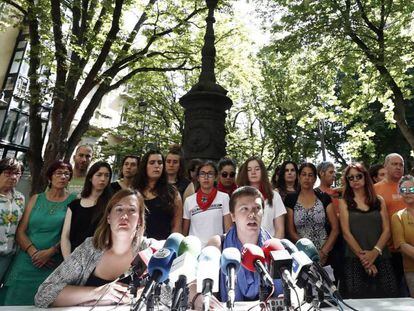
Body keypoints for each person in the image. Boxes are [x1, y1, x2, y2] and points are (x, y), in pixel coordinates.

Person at [35, 189, 149, 307]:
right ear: (108, 217)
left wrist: (134, 296)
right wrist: (98, 293)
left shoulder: (149, 251)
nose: (125, 216)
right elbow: (43, 295)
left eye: (132, 210)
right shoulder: (89, 248)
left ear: (140, 220)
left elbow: (167, 297)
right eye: (119, 209)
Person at [0, 160, 77, 305]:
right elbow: (20, 231)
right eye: (58, 173)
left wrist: (50, 252)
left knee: (41, 302)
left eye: (67, 174)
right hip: (25, 260)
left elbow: (73, 233)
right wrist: (34, 253)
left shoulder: (74, 201)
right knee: (13, 301)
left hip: (52, 263)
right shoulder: (35, 198)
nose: (63, 177)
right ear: (49, 177)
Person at [199, 186, 283, 305]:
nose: (252, 215)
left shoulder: (274, 247)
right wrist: (198, 298)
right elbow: (197, 283)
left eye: (257, 208)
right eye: (244, 209)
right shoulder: (218, 244)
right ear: (233, 216)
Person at [339, 163, 398, 298]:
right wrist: (365, 259)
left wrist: (374, 252)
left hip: (382, 256)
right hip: (355, 259)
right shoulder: (344, 202)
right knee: (358, 302)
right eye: (351, 178)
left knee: (390, 299)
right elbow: (346, 234)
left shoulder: (379, 200)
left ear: (365, 177)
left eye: (358, 176)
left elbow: (387, 230)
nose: (355, 180)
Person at [285, 162, 339, 265]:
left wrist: (323, 252)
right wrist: (308, 250)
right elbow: (291, 231)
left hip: (326, 254)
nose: (307, 178)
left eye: (310, 175)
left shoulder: (324, 198)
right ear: (299, 177)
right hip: (302, 254)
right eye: (304, 174)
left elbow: (335, 229)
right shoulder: (291, 199)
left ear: (315, 179)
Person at [61, 162, 112, 259]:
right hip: (73, 258)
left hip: (99, 260)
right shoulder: (75, 205)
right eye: (99, 175)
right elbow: (65, 236)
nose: (103, 179)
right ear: (90, 177)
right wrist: (68, 261)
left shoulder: (112, 205)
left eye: (107, 175)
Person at [374, 153, 407, 296]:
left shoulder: (409, 187)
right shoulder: (375, 189)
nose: (398, 167)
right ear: (385, 166)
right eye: (394, 164)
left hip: (409, 249)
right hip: (387, 250)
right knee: (393, 293)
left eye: (401, 165)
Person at [134, 149, 182, 239]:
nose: (157, 166)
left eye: (160, 163)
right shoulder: (134, 192)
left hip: (163, 247)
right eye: (152, 162)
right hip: (137, 245)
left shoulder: (172, 193)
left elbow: (177, 226)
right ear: (145, 166)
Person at [183, 160, 232, 245]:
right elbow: (184, 232)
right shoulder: (189, 201)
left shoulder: (224, 197)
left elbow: (228, 229)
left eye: (210, 174)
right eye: (202, 174)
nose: (206, 177)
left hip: (216, 247)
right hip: (194, 247)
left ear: (216, 177)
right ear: (198, 178)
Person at [237, 156, 286, 238]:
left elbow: (280, 230)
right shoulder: (238, 197)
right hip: (245, 246)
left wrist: (273, 248)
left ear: (262, 171)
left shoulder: (274, 196)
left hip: (269, 246)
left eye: (257, 169)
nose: (253, 172)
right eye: (249, 170)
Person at [0, 158, 25, 282]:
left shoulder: (20, 198)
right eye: (8, 173)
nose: (13, 177)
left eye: (17, 173)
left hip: (7, 256)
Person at [391, 175, 414, 297]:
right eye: (404, 190)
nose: (408, 193)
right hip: (411, 270)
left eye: (411, 190)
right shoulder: (398, 216)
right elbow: (401, 244)